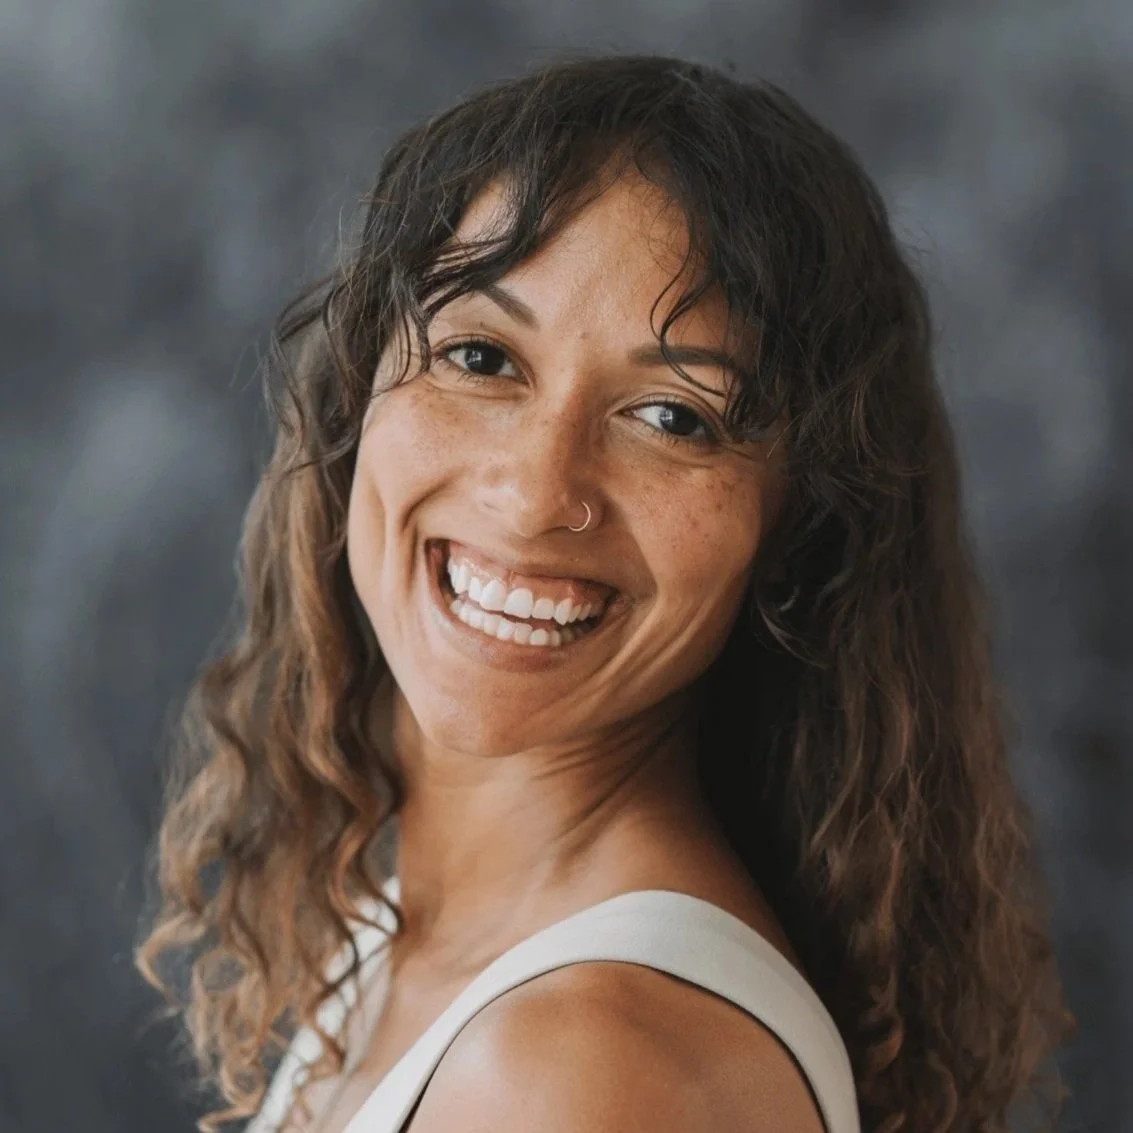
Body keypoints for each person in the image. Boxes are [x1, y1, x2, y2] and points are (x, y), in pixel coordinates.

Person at [136, 54, 1076, 1133]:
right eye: (480, 356)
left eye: (674, 416)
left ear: (797, 530)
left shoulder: (580, 1065)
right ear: (357, 396)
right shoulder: (417, 935)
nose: (536, 492)